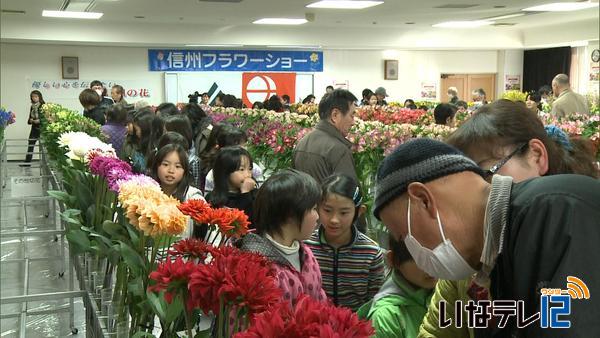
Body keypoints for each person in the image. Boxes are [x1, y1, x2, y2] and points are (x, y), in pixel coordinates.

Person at [373, 137, 600, 338]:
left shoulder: (555, 213)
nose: (414, 252)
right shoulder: (492, 258)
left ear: (423, 200)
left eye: (405, 237)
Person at [419, 99, 598, 338]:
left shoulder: (583, 231)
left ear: (536, 155)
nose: (473, 195)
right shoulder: (475, 251)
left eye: (484, 174)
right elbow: (438, 331)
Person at [234, 169, 327, 305]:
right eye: (313, 209)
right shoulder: (259, 270)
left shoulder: (306, 254)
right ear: (290, 215)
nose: (318, 217)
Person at [304, 174, 384, 311]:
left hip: (356, 326)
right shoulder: (306, 246)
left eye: (344, 213)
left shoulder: (371, 252)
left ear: (359, 212)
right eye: (327, 210)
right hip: (315, 323)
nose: (334, 220)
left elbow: (375, 301)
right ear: (317, 208)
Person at [358, 236, 437, 338]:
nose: (433, 265)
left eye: (439, 255)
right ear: (393, 259)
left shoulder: (449, 292)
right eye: (420, 259)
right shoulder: (385, 317)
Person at [293, 89, 359, 185]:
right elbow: (349, 195)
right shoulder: (338, 149)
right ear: (335, 115)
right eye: (352, 115)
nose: (353, 122)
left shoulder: (301, 143)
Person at [150, 143, 204, 238]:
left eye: (178, 166)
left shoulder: (193, 198)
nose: (171, 170)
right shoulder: (147, 192)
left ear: (185, 171)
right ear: (156, 166)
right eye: (165, 164)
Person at [203, 126, 264, 194]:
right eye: (237, 146)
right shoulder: (213, 174)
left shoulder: (255, 169)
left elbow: (261, 198)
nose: (243, 149)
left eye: (245, 145)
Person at [206, 146, 257, 222]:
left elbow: (250, 221)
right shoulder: (212, 198)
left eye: (249, 169)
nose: (247, 174)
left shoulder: (255, 196)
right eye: (241, 169)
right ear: (225, 171)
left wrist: (245, 193)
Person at [23, 90, 45, 165]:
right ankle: (27, 162)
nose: (34, 98)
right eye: (32, 97)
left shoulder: (43, 106)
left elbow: (46, 118)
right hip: (34, 129)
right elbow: (29, 121)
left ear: (39, 97)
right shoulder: (32, 106)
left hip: (42, 129)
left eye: (36, 96)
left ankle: (45, 163)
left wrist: (39, 121)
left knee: (44, 146)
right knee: (31, 144)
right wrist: (31, 120)